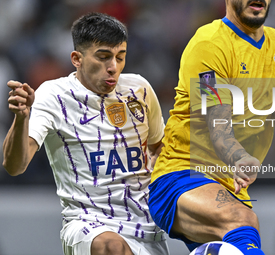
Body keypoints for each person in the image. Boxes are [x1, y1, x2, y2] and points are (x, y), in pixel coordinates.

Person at [148, 0, 275, 254]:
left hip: (232, 188)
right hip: (181, 177)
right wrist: (239, 157)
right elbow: (217, 122)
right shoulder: (210, 44)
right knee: (243, 221)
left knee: (243, 236)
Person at [2, 12, 169, 255]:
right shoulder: (53, 95)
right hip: (88, 226)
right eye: (103, 57)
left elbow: (159, 147)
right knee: (111, 246)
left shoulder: (139, 89)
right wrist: (21, 118)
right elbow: (14, 166)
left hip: (146, 229)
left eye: (120, 57)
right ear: (77, 58)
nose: (113, 67)